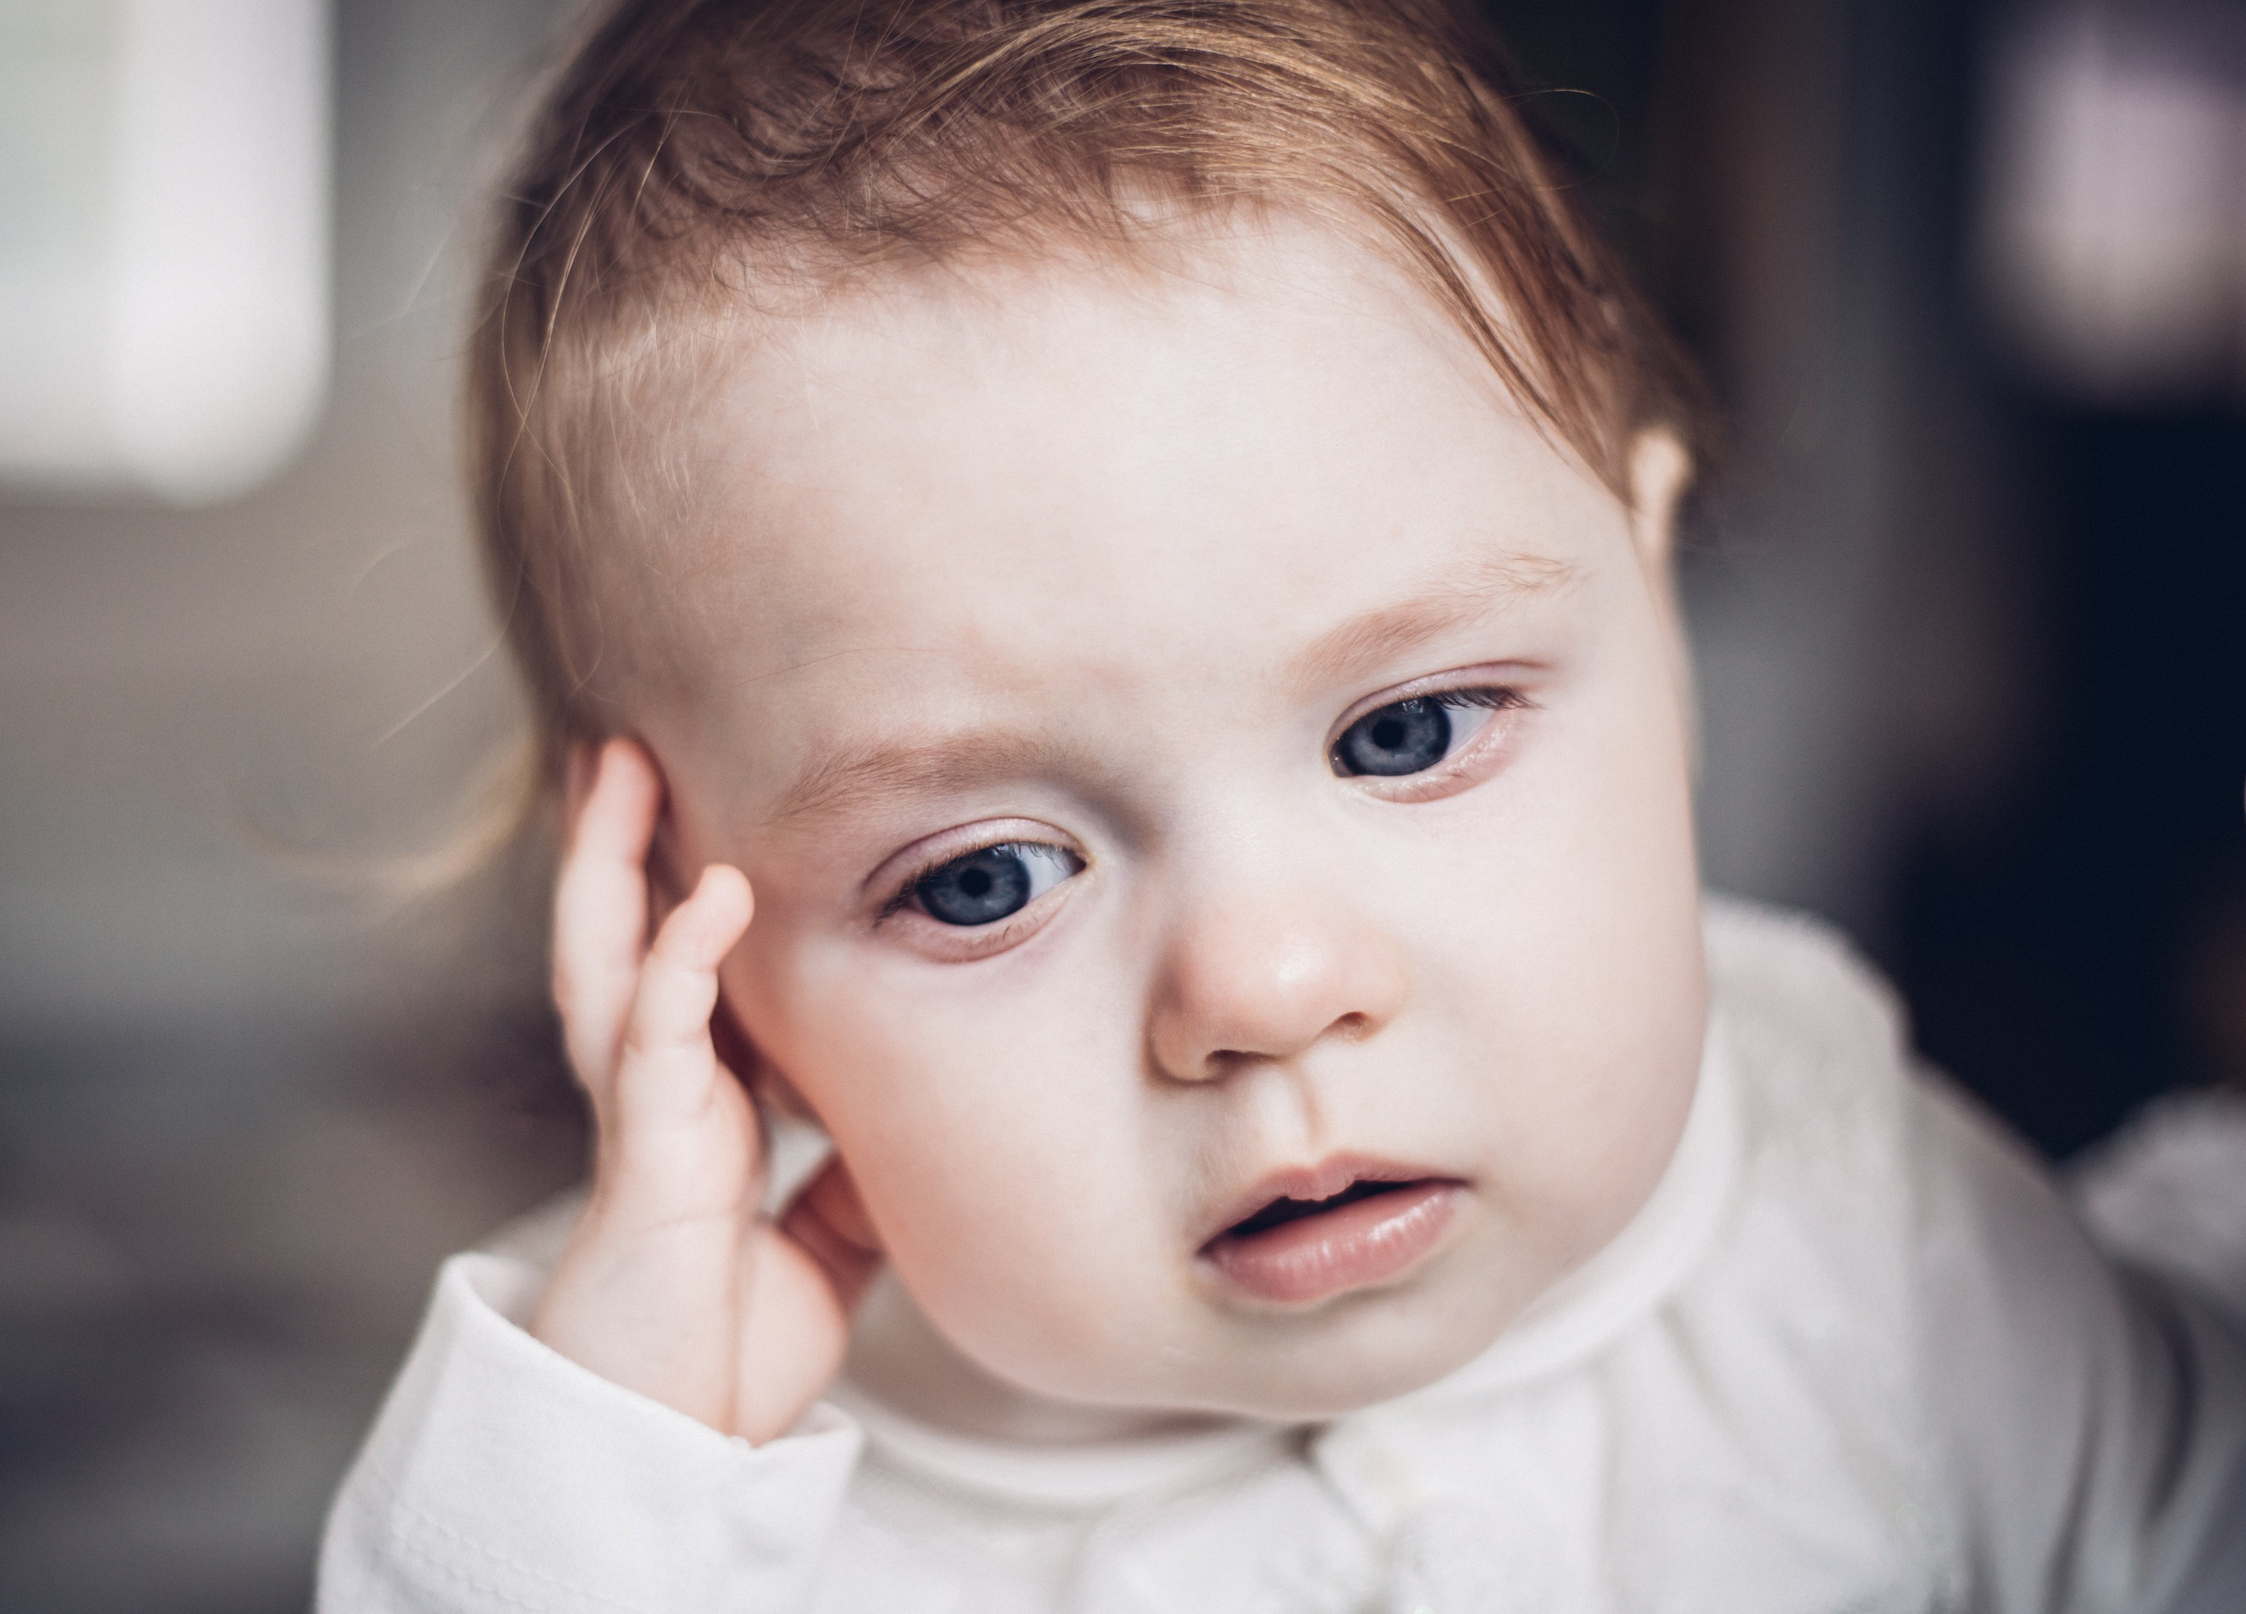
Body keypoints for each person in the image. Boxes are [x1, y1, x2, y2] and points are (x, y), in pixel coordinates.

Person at [318, 1, 2246, 1607]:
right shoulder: (706, 1497)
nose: (1264, 984)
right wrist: (610, 1467)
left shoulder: (1859, 1231)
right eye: (986, 874)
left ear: (1649, 598)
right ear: (681, 928)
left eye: (1405, 732)